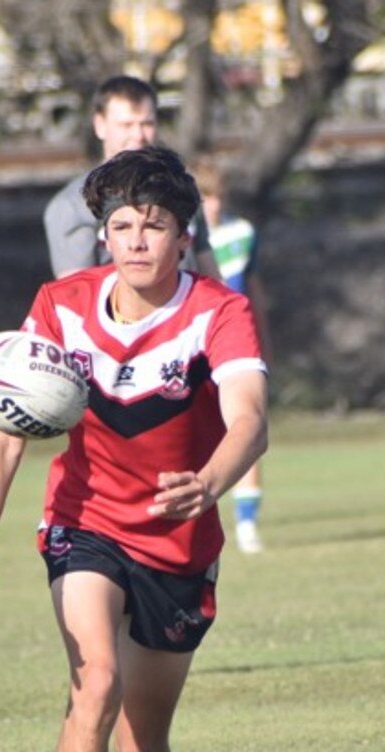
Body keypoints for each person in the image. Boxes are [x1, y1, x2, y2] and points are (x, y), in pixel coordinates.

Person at [0, 146, 268, 752]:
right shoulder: (60, 305)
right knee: (92, 685)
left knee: (140, 749)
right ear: (102, 233)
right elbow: (6, 427)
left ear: (182, 231)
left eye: (152, 226)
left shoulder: (218, 313)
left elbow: (250, 419)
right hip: (83, 525)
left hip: (178, 543)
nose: (134, 241)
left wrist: (211, 481)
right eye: (119, 226)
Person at [43, 74, 221, 280]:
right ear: (100, 125)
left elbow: (209, 271)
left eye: (146, 124)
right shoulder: (73, 205)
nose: (138, 136)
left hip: (190, 308)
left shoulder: (180, 187)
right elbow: (76, 292)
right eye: (126, 125)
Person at [192, 155, 273, 554]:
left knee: (247, 424)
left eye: (218, 196)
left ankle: (246, 524)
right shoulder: (180, 236)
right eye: (205, 197)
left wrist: (263, 340)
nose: (214, 205)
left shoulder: (242, 233)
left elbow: (252, 290)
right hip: (197, 349)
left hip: (236, 348)